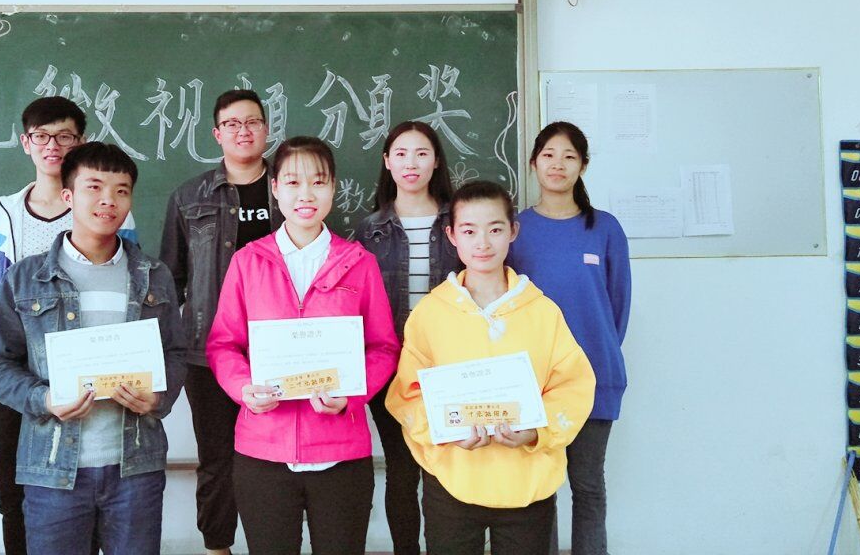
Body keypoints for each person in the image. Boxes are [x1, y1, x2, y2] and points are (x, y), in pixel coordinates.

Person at [0, 142, 186, 555]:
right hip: (53, 469)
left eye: (121, 190)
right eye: (94, 187)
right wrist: (44, 399)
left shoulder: (154, 275)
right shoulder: (25, 278)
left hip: (135, 469)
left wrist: (158, 398)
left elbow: (176, 353)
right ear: (68, 196)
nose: (109, 200)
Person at [207, 136, 400, 554]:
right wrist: (243, 388)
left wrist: (352, 395)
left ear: (333, 188)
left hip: (341, 451)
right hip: (263, 451)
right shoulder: (248, 261)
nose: (306, 194)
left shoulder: (359, 262)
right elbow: (223, 344)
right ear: (275, 188)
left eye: (318, 181)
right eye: (293, 182)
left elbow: (383, 347)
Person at [386, 180, 596, 555]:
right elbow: (407, 394)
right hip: (453, 479)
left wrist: (536, 431)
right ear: (451, 236)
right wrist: (447, 432)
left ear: (513, 231)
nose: (482, 243)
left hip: (526, 484)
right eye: (469, 231)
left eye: (495, 229)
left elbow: (572, 386)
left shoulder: (542, 312)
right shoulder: (431, 313)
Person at [0, 96, 136, 554]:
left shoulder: (108, 205)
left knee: (90, 495)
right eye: (42, 136)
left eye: (64, 136)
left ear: (80, 141)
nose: (53, 146)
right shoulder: (3, 213)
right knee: (15, 497)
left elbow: (126, 290)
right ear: (26, 142)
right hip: (22, 378)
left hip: (97, 377)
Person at [159, 89, 283, 555]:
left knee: (275, 459)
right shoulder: (189, 196)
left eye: (252, 122)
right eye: (232, 124)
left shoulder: (290, 187)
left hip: (282, 347)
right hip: (209, 350)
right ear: (216, 134)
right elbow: (171, 279)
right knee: (217, 458)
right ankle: (217, 547)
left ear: (266, 129)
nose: (243, 131)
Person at [507, 122, 631, 555]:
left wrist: (595, 356)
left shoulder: (605, 229)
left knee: (588, 485)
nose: (557, 164)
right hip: (533, 380)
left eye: (569, 156)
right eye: (549, 155)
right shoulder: (515, 230)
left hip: (594, 375)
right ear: (534, 162)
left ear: (583, 166)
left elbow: (617, 308)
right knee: (541, 489)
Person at [354, 120, 461, 555]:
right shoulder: (369, 230)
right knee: (401, 471)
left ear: (436, 161)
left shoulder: (460, 222)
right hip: (390, 368)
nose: (411, 163)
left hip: (450, 363)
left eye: (421, 153)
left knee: (444, 468)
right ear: (387, 162)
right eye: (400, 153)